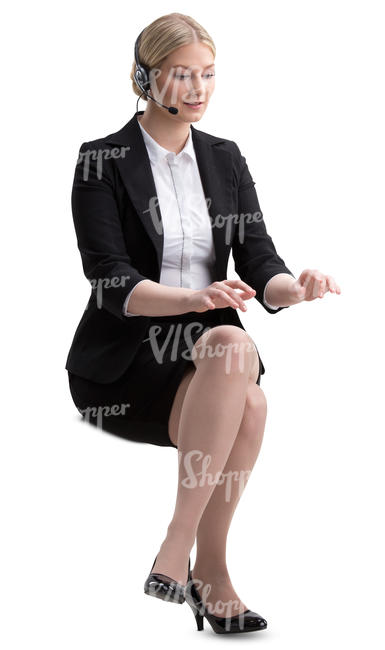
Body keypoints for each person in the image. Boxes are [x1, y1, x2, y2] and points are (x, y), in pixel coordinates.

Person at [65, 12, 341, 634]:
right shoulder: (100, 160)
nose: (198, 89)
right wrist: (189, 300)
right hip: (128, 363)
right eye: (181, 74)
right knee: (237, 363)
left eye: (208, 75)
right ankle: (188, 550)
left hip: (211, 354)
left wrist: (293, 289)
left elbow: (259, 256)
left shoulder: (225, 157)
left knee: (238, 365)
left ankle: (198, 566)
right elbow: (109, 278)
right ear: (145, 77)